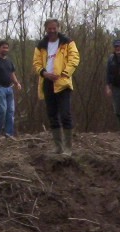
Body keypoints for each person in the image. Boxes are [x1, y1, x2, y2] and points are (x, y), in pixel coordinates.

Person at [33, 18, 80, 156]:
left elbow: (75, 58)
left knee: (65, 114)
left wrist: (65, 73)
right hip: (47, 82)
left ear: (58, 28)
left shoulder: (67, 42)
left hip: (63, 82)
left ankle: (68, 148)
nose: (52, 31)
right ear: (46, 29)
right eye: (49, 28)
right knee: (52, 114)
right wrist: (44, 73)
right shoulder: (41, 45)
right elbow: (36, 63)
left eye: (54, 28)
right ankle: (58, 147)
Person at [0, 40, 23, 138]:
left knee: (11, 110)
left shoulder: (9, 61)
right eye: (3, 47)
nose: (5, 49)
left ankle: (8, 133)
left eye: (7, 48)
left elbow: (12, 74)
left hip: (9, 88)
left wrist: (17, 83)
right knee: (2, 109)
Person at [105, 39, 120, 130]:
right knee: (118, 110)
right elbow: (108, 74)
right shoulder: (111, 59)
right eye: (116, 47)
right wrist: (108, 87)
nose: (117, 48)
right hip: (116, 88)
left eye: (119, 46)